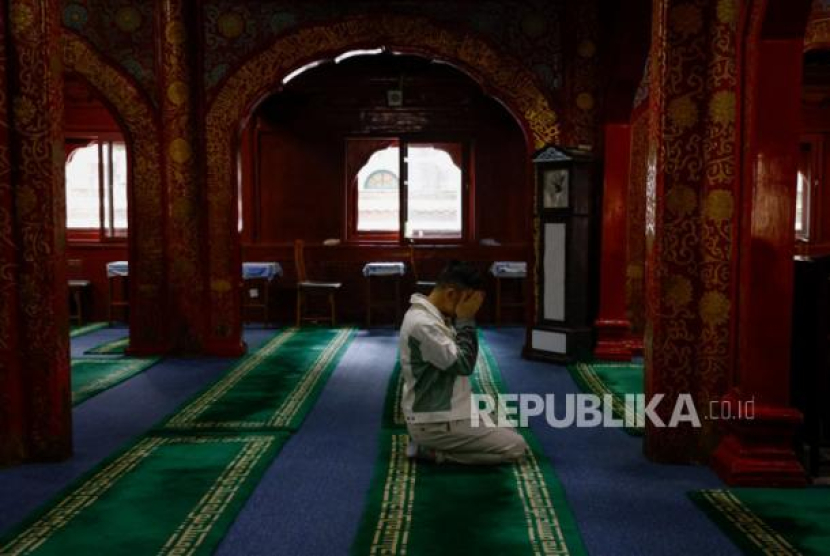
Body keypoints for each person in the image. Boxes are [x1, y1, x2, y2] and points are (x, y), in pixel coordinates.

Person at [399, 260, 528, 465]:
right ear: (451, 294)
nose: (472, 307)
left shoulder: (431, 315)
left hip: (448, 410)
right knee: (516, 446)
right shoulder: (423, 325)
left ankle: (436, 442)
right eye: (468, 300)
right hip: (437, 422)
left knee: (508, 426)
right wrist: (466, 319)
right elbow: (463, 365)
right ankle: (433, 452)